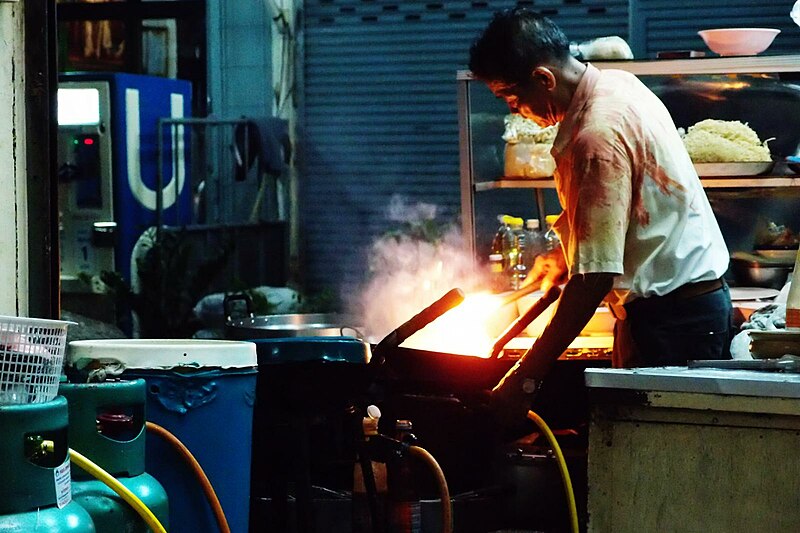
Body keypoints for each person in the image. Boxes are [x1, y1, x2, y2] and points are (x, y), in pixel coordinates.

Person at [468, 8, 733, 421]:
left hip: (671, 324)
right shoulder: (618, 83)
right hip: (690, 310)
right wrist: (565, 254)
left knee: (654, 464)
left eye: (513, 98)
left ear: (544, 79)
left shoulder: (597, 136)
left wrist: (527, 378)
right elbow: (626, 207)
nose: (518, 111)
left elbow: (593, 280)